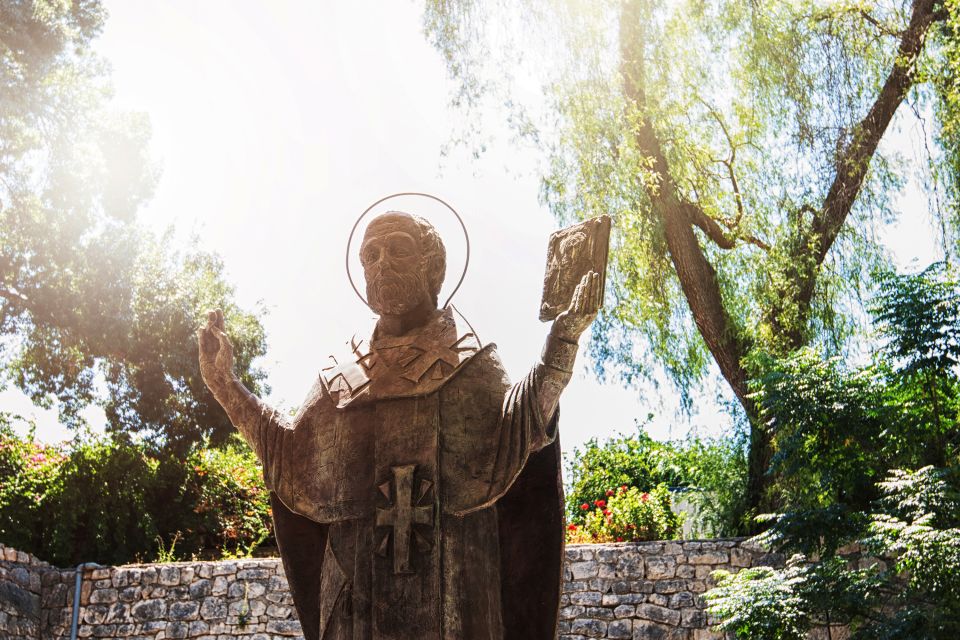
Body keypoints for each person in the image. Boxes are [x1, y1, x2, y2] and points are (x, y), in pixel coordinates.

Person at [197, 211, 601, 640]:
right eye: (370, 255)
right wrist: (225, 384)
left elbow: (522, 426)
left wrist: (565, 337)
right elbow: (287, 454)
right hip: (355, 598)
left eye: (398, 249)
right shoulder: (341, 377)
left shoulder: (469, 359)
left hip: (456, 584)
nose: (381, 263)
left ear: (433, 264)